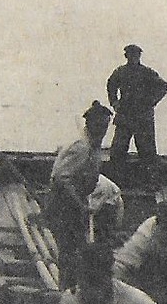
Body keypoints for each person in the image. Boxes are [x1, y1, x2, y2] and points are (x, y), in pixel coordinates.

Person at [45, 100, 115, 283]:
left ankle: (74, 282)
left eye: (106, 126)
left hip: (75, 201)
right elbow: (62, 178)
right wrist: (79, 204)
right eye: (99, 126)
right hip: (64, 204)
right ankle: (68, 286)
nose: (103, 130)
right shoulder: (81, 147)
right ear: (89, 124)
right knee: (70, 247)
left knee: (77, 245)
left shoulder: (93, 145)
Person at [106, 44, 167, 163]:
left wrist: (151, 101)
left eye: (136, 55)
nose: (133, 57)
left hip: (143, 115)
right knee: (118, 151)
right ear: (126, 56)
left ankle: (149, 176)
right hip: (125, 113)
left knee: (147, 152)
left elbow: (163, 86)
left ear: (139, 56)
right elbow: (111, 85)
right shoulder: (121, 72)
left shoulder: (147, 72)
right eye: (130, 55)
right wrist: (114, 102)